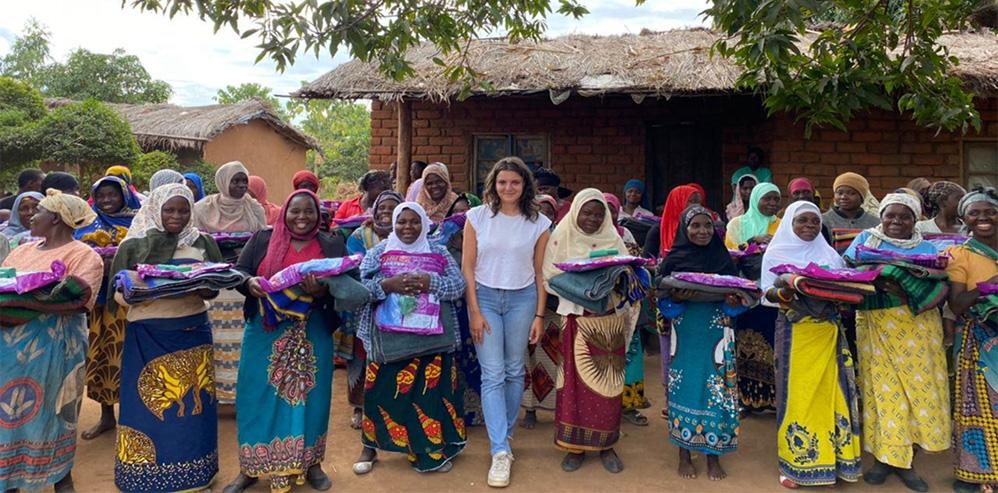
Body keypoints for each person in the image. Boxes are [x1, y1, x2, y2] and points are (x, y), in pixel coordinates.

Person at [223, 189, 344, 493]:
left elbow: (345, 283)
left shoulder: (330, 243)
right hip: (266, 330)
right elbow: (239, 271)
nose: (302, 217)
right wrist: (249, 283)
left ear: (318, 214)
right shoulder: (263, 239)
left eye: (309, 212)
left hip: (312, 330)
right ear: (284, 213)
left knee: (312, 398)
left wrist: (322, 291)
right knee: (255, 395)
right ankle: (250, 468)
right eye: (295, 211)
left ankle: (312, 464)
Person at [107, 184, 223, 492]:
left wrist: (198, 287)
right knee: (151, 406)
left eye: (183, 210)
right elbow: (117, 295)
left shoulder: (202, 242)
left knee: (194, 407)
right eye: (169, 210)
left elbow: (214, 286)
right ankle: (144, 477)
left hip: (193, 333)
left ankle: (196, 475)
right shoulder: (133, 245)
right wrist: (144, 292)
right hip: (147, 334)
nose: (177, 216)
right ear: (156, 209)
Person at [844, 193, 950, 491]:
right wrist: (878, 279)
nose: (896, 222)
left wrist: (905, 289)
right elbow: (848, 272)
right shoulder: (866, 240)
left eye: (904, 216)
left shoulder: (928, 247)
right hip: (876, 326)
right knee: (883, 390)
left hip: (919, 328)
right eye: (890, 215)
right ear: (881, 215)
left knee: (917, 390)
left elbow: (940, 281)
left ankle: (907, 461)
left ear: (915, 220)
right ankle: (884, 459)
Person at [352, 202, 467, 475]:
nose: (407, 227)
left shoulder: (438, 251)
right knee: (383, 394)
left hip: (432, 341)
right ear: (393, 223)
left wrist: (431, 283)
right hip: (388, 340)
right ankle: (370, 448)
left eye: (414, 221)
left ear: (425, 224)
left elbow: (459, 285)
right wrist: (387, 286)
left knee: (427, 398)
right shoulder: (379, 252)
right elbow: (360, 290)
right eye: (401, 221)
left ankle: (427, 453)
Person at [0, 190, 103, 493]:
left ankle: (60, 476)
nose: (32, 215)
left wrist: (31, 300)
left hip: (57, 351)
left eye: (39, 211)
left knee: (56, 410)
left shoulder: (85, 256)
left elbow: (80, 300)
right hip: (10, 350)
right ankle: (12, 477)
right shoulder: (21, 250)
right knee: (11, 411)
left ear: (56, 218)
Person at [462, 157, 550, 486]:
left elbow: (541, 271)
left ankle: (505, 434)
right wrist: (474, 311)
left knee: (515, 370)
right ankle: (500, 450)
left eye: (514, 182)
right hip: (484, 297)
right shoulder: (477, 217)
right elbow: (467, 268)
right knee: (493, 373)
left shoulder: (539, 223)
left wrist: (540, 314)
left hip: (523, 299)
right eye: (502, 182)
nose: (508, 188)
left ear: (525, 185)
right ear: (493, 185)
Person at [760, 201, 861, 488]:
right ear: (790, 223)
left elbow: (842, 286)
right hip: (795, 332)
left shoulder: (828, 253)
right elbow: (765, 293)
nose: (809, 227)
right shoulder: (776, 253)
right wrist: (789, 290)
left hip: (828, 332)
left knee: (834, 393)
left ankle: (837, 461)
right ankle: (794, 465)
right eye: (802, 221)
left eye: (814, 222)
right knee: (797, 395)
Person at [543, 189, 632, 474]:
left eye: (598, 213)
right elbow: (549, 278)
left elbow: (627, 275)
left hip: (609, 324)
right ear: (576, 211)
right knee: (573, 386)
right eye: (587, 212)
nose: (592, 219)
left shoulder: (614, 239)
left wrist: (614, 279)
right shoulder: (561, 237)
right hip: (576, 321)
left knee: (609, 384)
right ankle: (574, 446)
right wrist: (583, 289)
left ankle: (607, 444)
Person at [658, 204, 745, 481]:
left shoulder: (722, 258)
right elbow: (663, 303)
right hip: (685, 336)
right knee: (684, 388)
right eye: (695, 226)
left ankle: (713, 454)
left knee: (717, 390)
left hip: (717, 334)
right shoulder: (674, 259)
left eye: (708, 226)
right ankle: (683, 453)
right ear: (685, 228)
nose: (703, 231)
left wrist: (732, 303)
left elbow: (737, 303)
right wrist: (678, 300)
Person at [192, 161, 268, 404]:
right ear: (223, 181)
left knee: (241, 342)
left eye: (244, 180)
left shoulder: (253, 207)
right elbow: (194, 240)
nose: (241, 185)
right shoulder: (203, 208)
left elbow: (261, 238)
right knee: (216, 340)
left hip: (242, 282)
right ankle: (216, 395)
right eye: (235, 180)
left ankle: (241, 395)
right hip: (214, 283)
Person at [75, 176, 140, 441]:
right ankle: (106, 416)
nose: (106, 200)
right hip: (101, 302)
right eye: (101, 196)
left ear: (124, 194)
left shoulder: (137, 222)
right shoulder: (89, 222)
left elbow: (143, 254)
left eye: (112, 194)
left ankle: (134, 418)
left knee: (130, 357)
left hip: (128, 301)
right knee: (103, 357)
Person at [946, 188, 998, 493]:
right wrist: (987, 286)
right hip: (978, 341)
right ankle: (974, 473)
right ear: (964, 218)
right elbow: (956, 304)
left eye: (989, 211)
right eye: (974, 213)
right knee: (976, 409)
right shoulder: (961, 254)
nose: (982, 218)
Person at [342, 190, 403, 430]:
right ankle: (359, 406)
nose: (386, 214)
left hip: (398, 306)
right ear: (374, 211)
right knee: (362, 355)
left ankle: (389, 407)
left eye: (392, 210)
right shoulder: (359, 236)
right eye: (382, 209)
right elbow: (355, 268)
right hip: (364, 306)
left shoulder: (408, 235)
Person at [725, 182, 782, 412]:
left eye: (775, 199)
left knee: (772, 345)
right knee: (744, 345)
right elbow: (729, 256)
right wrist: (751, 243)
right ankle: (745, 399)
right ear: (756, 199)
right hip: (746, 294)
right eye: (766, 199)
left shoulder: (782, 225)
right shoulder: (738, 224)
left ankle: (771, 399)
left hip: (773, 296)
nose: (771, 204)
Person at [605, 192, 651, 426]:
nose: (608, 214)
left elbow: (637, 261)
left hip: (627, 303)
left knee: (631, 353)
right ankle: (606, 406)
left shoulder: (625, 233)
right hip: (602, 305)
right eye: (605, 209)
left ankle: (630, 406)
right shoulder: (589, 235)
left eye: (612, 209)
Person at [659, 185, 700, 256]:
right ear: (677, 202)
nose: (695, 206)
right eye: (691, 201)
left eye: (697, 202)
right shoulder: (658, 230)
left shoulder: (703, 226)